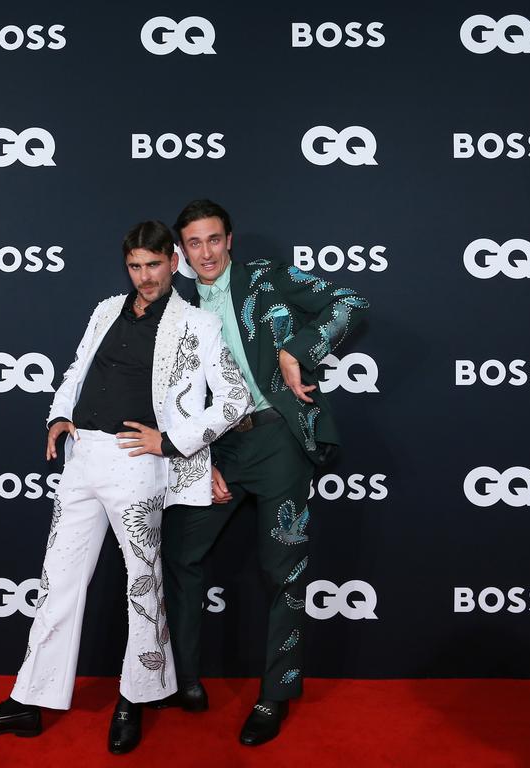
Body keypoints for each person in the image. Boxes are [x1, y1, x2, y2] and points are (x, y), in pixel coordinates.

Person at [0, 220, 253, 754]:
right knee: (57, 580)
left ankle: (135, 698)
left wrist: (174, 441)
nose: (145, 277)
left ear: (174, 263)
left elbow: (234, 399)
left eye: (154, 265)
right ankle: (29, 701)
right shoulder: (106, 309)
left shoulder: (197, 323)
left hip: (135, 462)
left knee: (143, 586)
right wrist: (59, 415)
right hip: (82, 458)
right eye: (136, 267)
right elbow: (77, 369)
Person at [158, 199, 369, 746]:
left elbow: (350, 302)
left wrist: (299, 350)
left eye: (213, 239)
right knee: (179, 556)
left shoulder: (268, 279)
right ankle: (183, 680)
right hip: (214, 449)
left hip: (276, 439)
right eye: (194, 244)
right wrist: (197, 460)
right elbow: (164, 394)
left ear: (231, 240)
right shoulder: (172, 303)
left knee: (285, 572)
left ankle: (275, 696)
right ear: (182, 251)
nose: (205, 252)